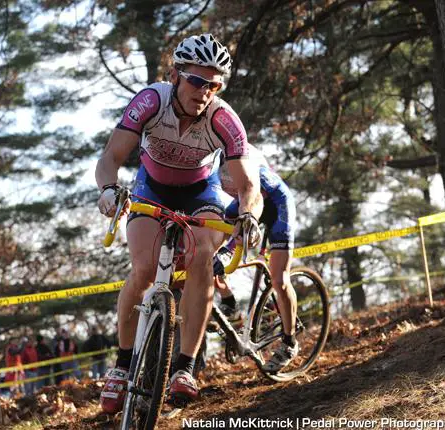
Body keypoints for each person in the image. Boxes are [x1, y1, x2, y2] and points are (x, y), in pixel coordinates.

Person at [95, 33, 262, 413]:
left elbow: (248, 184)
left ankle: (184, 367)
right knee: (144, 269)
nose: (204, 91)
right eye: (197, 80)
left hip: (200, 192)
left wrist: (248, 213)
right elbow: (110, 157)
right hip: (151, 188)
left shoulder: (224, 119)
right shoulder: (151, 100)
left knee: (203, 254)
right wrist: (108, 189)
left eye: (213, 84)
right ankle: (122, 367)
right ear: (176, 75)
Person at [219, 143, 299, 373]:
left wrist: (231, 246)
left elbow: (256, 203)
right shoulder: (212, 158)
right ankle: (229, 305)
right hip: (245, 203)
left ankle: (289, 342)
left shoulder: (243, 157)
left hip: (276, 205)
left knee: (279, 279)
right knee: (211, 252)